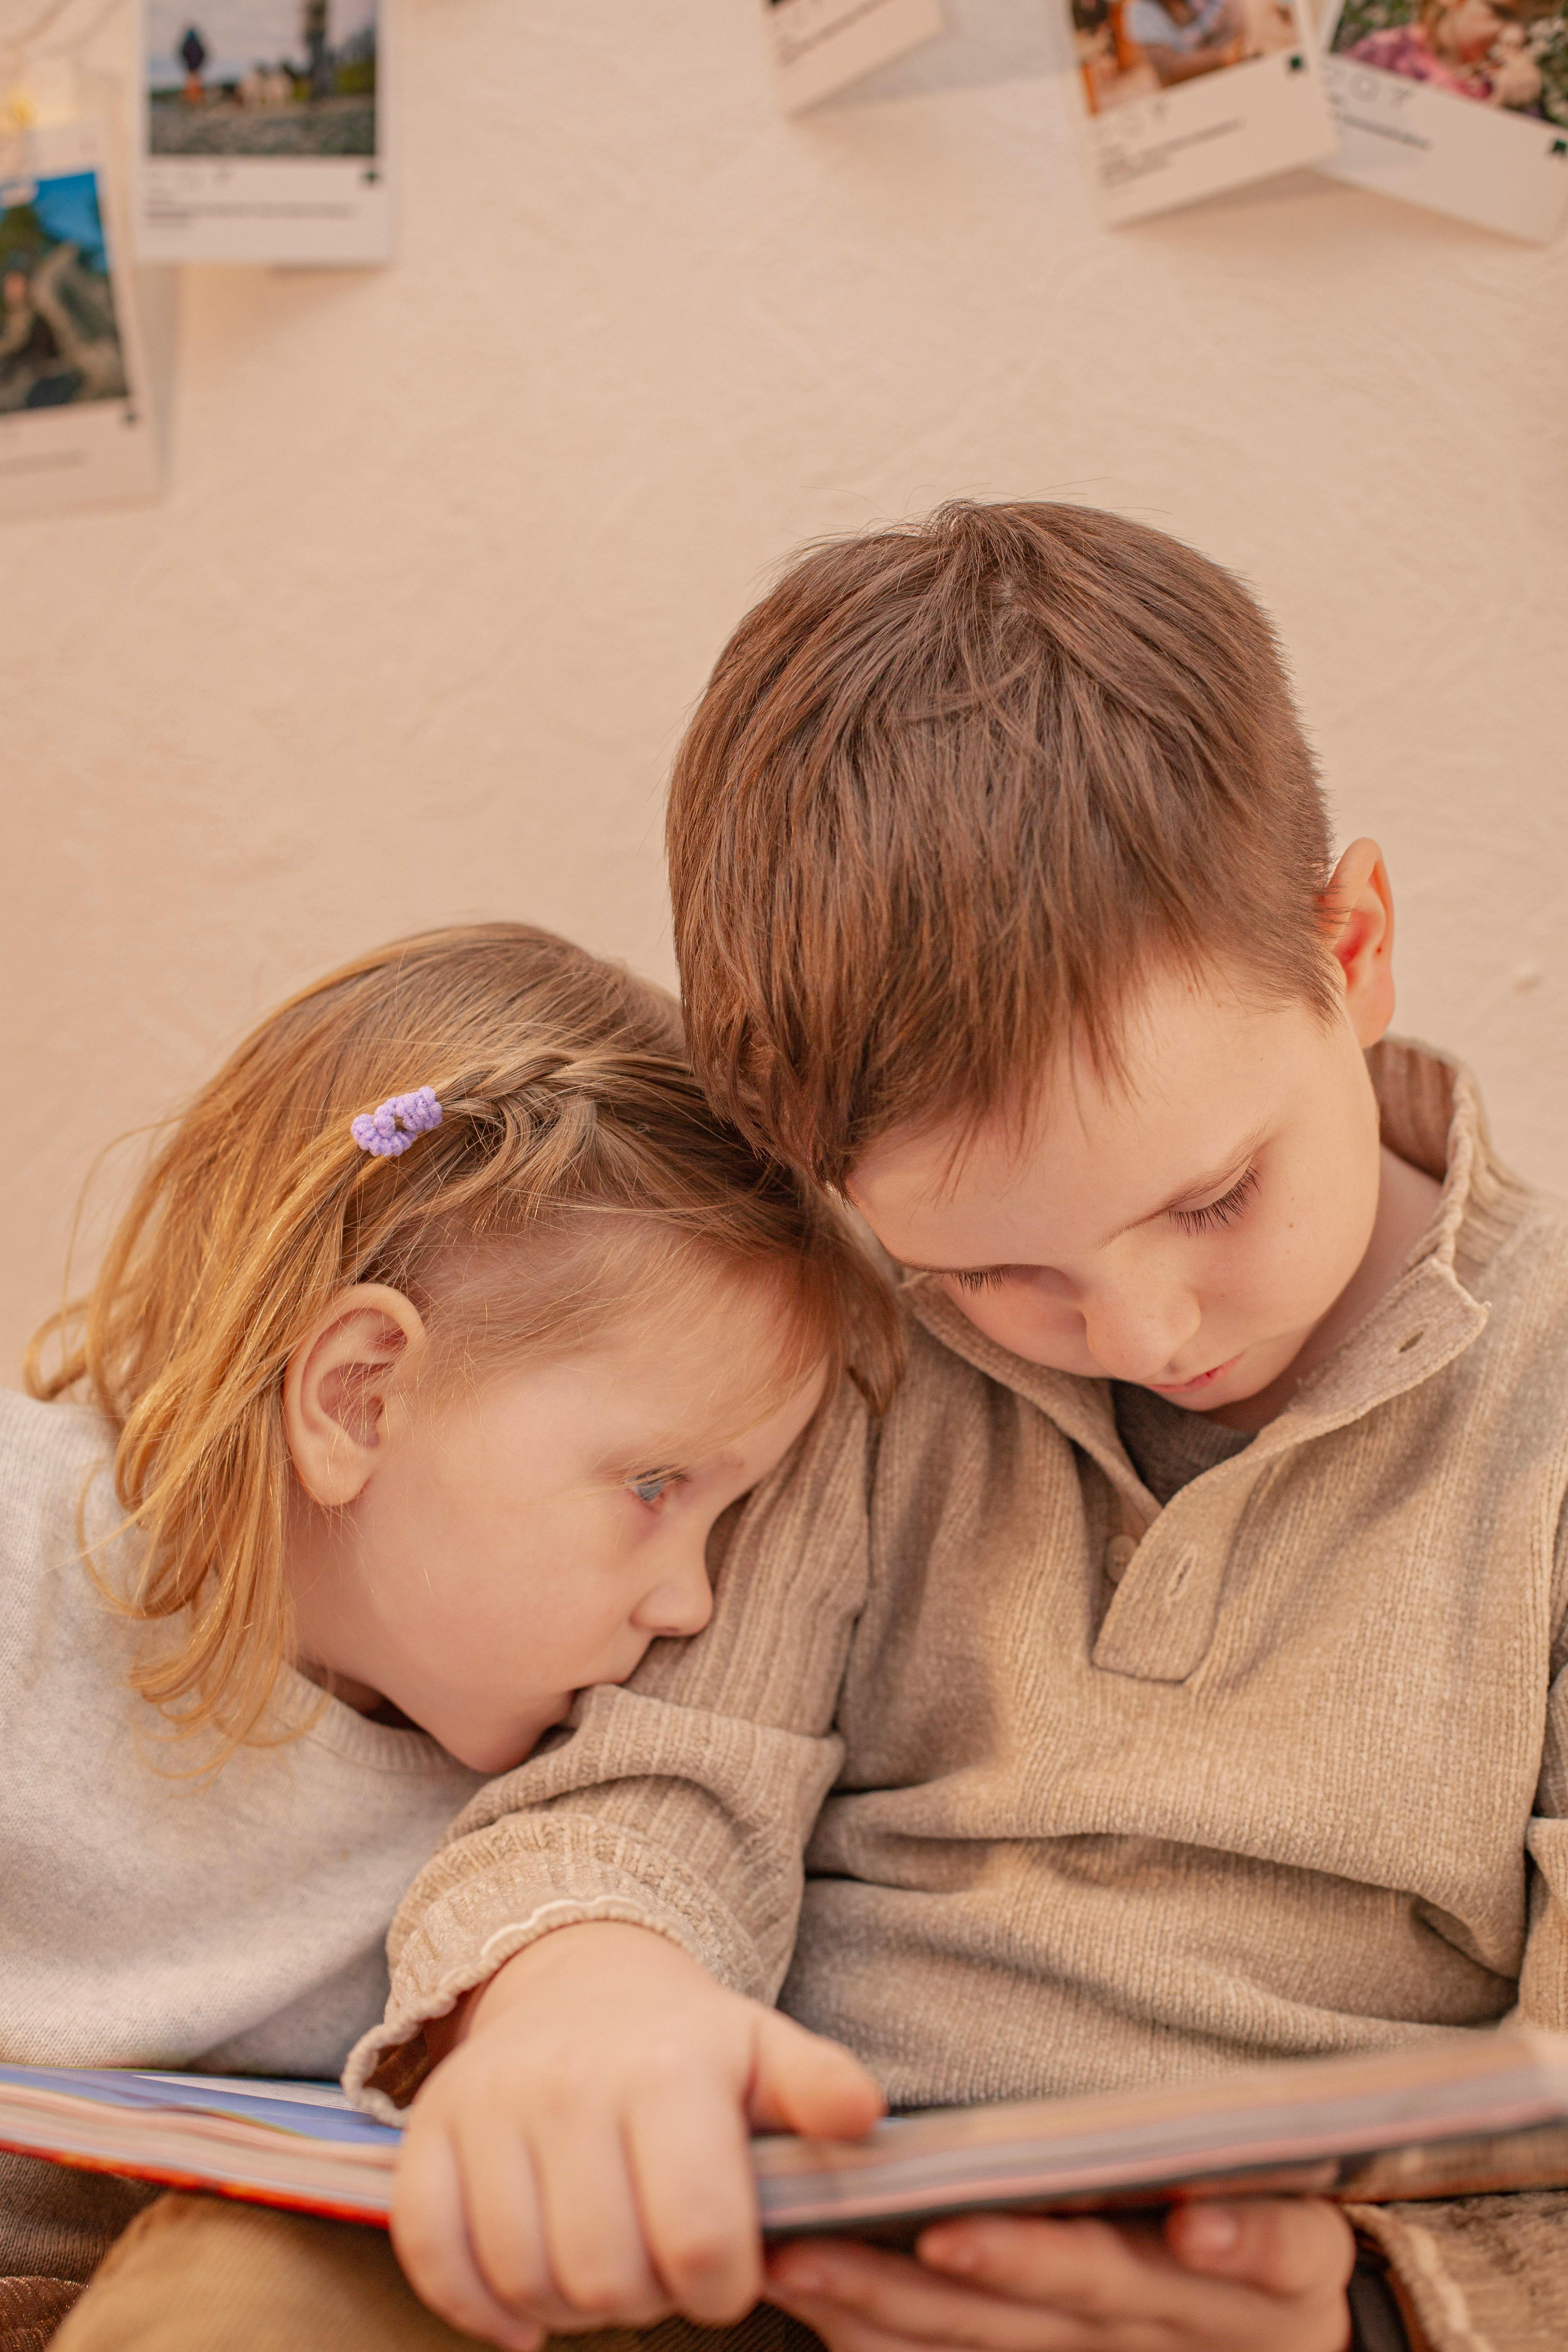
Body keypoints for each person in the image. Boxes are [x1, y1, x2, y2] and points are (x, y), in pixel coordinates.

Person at [341, 503, 1567, 2352]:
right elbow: (649, 1792)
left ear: (1353, 946)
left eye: (1216, 1196)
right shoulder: (850, 1344)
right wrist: (579, 1985)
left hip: (1297, 2293)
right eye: (997, 1270)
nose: (1143, 1332)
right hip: (780, 2233)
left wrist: (1380, 2311)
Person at [0, 920, 893, 2345]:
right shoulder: (25, 1558)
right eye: (655, 1489)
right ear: (360, 1399)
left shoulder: (544, 1798)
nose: (694, 1603)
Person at [1347, 0, 1543, 105]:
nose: (1518, 35)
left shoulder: (1497, 85)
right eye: (1502, 12)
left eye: (1532, 21)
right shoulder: (1385, 55)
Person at [1123, 0, 1246, 84]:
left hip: (1234, 77)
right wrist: (1222, 58)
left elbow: (1237, 34)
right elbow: (1170, 70)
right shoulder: (1141, 12)